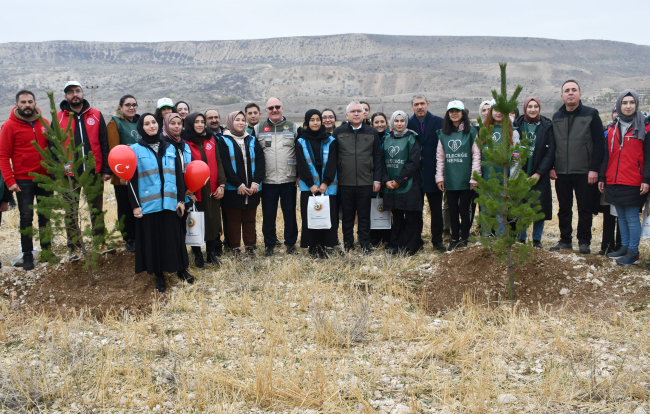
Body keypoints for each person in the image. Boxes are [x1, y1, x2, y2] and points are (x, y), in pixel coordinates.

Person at [127, 113, 193, 292]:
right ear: (141, 128)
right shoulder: (134, 150)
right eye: (147, 124)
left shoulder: (170, 147)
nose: (151, 126)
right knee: (153, 240)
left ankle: (181, 269)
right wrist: (135, 205)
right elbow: (130, 180)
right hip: (149, 205)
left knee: (175, 238)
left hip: (170, 202)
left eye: (153, 122)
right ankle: (159, 275)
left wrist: (181, 199)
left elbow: (179, 176)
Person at [57, 81, 113, 259]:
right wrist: (59, 172)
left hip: (93, 170)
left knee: (96, 208)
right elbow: (54, 146)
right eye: (70, 92)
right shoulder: (58, 118)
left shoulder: (95, 115)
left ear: (82, 94)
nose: (75, 94)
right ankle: (74, 246)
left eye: (77, 91)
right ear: (66, 96)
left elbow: (104, 143)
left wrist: (106, 169)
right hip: (69, 174)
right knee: (70, 211)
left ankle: (99, 241)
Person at [549, 80, 604, 254]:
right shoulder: (557, 117)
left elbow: (599, 143)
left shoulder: (591, 114)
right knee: (564, 208)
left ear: (580, 94)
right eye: (567, 90)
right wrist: (552, 166)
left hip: (584, 172)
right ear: (562, 96)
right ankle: (565, 240)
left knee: (584, 208)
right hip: (561, 172)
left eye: (574, 90)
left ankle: (584, 241)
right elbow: (552, 144)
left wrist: (594, 169)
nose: (570, 93)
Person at [0, 90, 53, 270]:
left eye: (30, 101)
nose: (27, 105)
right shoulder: (9, 126)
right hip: (23, 180)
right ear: (17, 105)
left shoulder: (44, 123)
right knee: (26, 218)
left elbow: (53, 148)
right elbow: (3, 156)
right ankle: (28, 255)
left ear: (35, 103)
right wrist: (10, 181)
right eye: (23, 102)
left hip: (45, 178)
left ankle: (47, 250)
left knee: (46, 216)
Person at [598, 89, 650, 265]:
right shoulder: (613, 127)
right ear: (619, 105)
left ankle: (633, 252)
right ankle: (625, 248)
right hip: (614, 179)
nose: (628, 106)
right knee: (620, 216)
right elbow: (608, 155)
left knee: (632, 217)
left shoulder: (645, 127)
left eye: (632, 102)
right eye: (624, 103)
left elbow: (648, 156)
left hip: (634, 179)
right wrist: (603, 177)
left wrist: (647, 179)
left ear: (636, 104)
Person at [333, 101, 383, 253]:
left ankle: (365, 244)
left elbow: (377, 157)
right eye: (352, 111)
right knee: (347, 216)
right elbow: (333, 159)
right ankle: (348, 244)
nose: (356, 114)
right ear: (347, 115)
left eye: (358, 111)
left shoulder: (371, 132)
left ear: (363, 114)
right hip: (345, 182)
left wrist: (376, 179)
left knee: (364, 215)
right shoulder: (339, 132)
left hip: (366, 182)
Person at [254, 97, 299, 256]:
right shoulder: (258, 129)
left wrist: (298, 175)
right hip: (268, 180)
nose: (274, 110)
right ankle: (269, 244)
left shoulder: (293, 127)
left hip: (289, 179)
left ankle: (291, 244)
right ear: (266, 111)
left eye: (277, 107)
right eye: (271, 108)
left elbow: (299, 153)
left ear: (282, 108)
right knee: (268, 215)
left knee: (290, 214)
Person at [182, 112, 226, 267]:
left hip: (212, 187)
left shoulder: (211, 139)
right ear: (189, 124)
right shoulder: (184, 142)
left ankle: (211, 253)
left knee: (213, 220)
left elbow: (219, 161)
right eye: (196, 122)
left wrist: (221, 184)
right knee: (196, 221)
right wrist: (188, 189)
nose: (200, 125)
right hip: (195, 190)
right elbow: (183, 168)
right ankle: (197, 253)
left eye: (202, 121)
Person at [435, 101, 481, 250]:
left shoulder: (471, 132)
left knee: (465, 210)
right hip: (450, 179)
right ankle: (454, 239)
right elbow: (440, 158)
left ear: (463, 113)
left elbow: (476, 156)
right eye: (451, 111)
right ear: (448, 114)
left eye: (457, 111)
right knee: (453, 210)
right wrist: (440, 178)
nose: (454, 114)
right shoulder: (443, 134)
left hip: (466, 179)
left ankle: (464, 239)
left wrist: (475, 177)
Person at [219, 111, 265, 257]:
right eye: (237, 120)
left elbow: (260, 161)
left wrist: (256, 181)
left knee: (250, 219)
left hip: (252, 189)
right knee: (233, 220)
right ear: (230, 122)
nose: (240, 122)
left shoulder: (251, 139)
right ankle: (236, 248)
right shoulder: (223, 140)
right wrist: (238, 184)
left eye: (242, 120)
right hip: (233, 189)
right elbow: (225, 165)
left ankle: (250, 246)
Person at [513, 97, 556, 247]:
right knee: (522, 208)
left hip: (540, 175)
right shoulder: (517, 124)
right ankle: (522, 238)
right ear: (525, 108)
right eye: (529, 106)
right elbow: (513, 149)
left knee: (539, 208)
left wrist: (538, 173)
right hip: (521, 174)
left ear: (539, 108)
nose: (532, 109)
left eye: (535, 106)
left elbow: (550, 152)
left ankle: (537, 240)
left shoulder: (547, 126)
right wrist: (518, 172)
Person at [296, 110, 338, 258]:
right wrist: (311, 184)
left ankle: (325, 246)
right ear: (307, 123)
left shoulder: (330, 140)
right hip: (310, 188)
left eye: (317, 119)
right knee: (311, 216)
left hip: (327, 186)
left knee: (327, 216)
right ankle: (312, 246)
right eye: (312, 120)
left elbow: (333, 163)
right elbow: (301, 165)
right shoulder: (301, 141)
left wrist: (325, 182)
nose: (315, 122)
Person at [381, 111, 423, 255]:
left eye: (402, 121)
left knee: (411, 216)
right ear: (392, 122)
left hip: (408, 184)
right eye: (396, 121)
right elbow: (381, 162)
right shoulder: (386, 139)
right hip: (390, 185)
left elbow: (413, 163)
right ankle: (396, 244)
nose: (399, 123)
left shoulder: (412, 139)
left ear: (406, 122)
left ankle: (410, 246)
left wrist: (399, 181)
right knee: (396, 216)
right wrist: (386, 180)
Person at [407, 94, 445, 251]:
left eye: (422, 103)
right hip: (415, 175)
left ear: (428, 104)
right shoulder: (408, 123)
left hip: (433, 173)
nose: (419, 107)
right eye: (416, 104)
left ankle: (437, 240)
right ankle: (416, 241)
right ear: (412, 107)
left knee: (436, 210)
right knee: (416, 210)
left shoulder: (438, 122)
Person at [480, 103, 522, 235]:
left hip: (503, 180)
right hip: (485, 179)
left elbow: (516, 156)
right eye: (496, 110)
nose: (498, 113)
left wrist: (512, 178)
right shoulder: (483, 131)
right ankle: (485, 241)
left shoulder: (512, 131)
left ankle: (501, 240)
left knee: (501, 213)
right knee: (485, 211)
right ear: (491, 111)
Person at [107, 95, 140, 252]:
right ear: (120, 107)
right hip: (123, 174)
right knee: (125, 206)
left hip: (140, 172)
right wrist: (120, 173)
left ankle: (139, 235)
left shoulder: (140, 122)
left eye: (134, 104)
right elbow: (114, 150)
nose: (131, 107)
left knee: (139, 205)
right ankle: (128, 237)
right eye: (128, 105)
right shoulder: (115, 123)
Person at [599, 105, 621, 255]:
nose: (617, 114)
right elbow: (603, 157)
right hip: (608, 179)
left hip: (626, 181)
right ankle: (606, 246)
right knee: (608, 213)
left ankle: (621, 246)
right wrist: (602, 177)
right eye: (615, 111)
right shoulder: (607, 133)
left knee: (623, 216)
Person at [369, 112, 392, 247]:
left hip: (388, 178)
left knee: (386, 208)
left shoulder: (391, 138)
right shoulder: (369, 138)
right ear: (372, 124)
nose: (380, 125)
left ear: (386, 123)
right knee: (372, 208)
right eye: (376, 122)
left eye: (382, 121)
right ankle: (374, 238)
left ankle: (387, 237)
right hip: (372, 178)